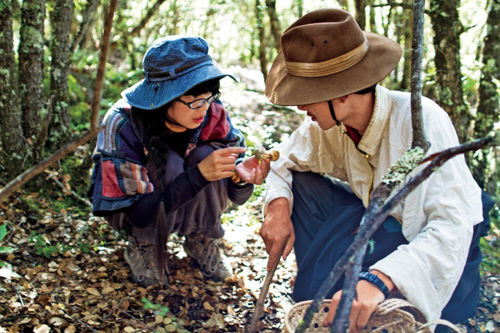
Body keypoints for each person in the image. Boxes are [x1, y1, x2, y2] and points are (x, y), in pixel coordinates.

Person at [259, 8, 494, 333]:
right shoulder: (326, 126)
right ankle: (322, 290)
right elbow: (282, 160)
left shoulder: (421, 121)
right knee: (300, 184)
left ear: (340, 93)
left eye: (307, 96)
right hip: (373, 231)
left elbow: (451, 228)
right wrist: (277, 207)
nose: (300, 107)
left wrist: (381, 280)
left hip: (430, 259)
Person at [88, 36, 271, 286]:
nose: (204, 108)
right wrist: (199, 175)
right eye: (194, 100)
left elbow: (236, 198)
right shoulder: (124, 124)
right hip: (137, 210)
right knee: (171, 162)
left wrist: (242, 180)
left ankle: (201, 238)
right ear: (163, 97)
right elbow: (138, 212)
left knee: (207, 155)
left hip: (183, 198)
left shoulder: (212, 113)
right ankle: (145, 244)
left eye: (209, 97)